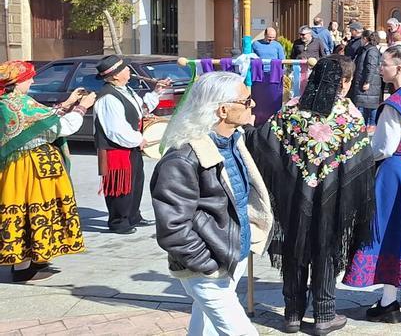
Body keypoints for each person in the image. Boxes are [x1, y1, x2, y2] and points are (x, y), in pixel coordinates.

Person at [247, 56, 375, 334]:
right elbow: (362, 160)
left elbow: (262, 142)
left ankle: (292, 315)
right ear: (343, 82)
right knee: (326, 249)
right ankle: (324, 315)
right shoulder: (348, 113)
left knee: (295, 248)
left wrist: (244, 129)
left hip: (294, 196)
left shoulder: (291, 110)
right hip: (334, 199)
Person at [150, 71, 273, 336]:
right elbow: (172, 228)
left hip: (231, 255)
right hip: (207, 266)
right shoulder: (183, 158)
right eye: (246, 101)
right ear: (222, 110)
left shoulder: (233, 142)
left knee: (203, 328)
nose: (252, 105)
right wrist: (205, 265)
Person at [342, 46, 401, 318]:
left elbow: (384, 146)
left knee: (389, 230)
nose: (380, 68)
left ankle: (388, 300)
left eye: (384, 64)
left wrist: (361, 155)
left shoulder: (393, 105)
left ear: (400, 68)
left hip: (393, 170)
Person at [0, 61, 91, 282]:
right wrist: (82, 107)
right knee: (34, 211)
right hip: (32, 168)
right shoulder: (20, 103)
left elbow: (41, 118)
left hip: (15, 168)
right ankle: (25, 269)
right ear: (17, 81)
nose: (32, 81)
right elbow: (60, 127)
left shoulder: (7, 102)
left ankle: (27, 260)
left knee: (22, 211)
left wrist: (67, 102)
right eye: (28, 78)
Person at [94, 55, 170, 234]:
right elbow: (115, 129)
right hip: (116, 149)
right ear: (115, 76)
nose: (129, 70)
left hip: (130, 147)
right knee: (121, 186)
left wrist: (157, 91)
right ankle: (119, 222)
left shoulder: (125, 90)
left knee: (135, 183)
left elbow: (140, 110)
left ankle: (133, 215)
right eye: (125, 69)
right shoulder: (108, 97)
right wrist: (138, 139)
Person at [349, 31, 384, 127]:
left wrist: (368, 81)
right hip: (362, 81)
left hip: (369, 83)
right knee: (363, 105)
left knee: (370, 107)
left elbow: (371, 66)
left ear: (365, 38)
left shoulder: (371, 50)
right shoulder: (365, 49)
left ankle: (371, 126)